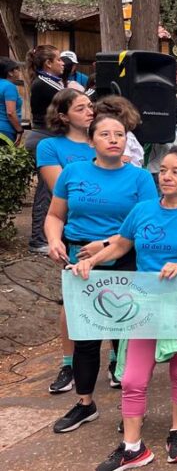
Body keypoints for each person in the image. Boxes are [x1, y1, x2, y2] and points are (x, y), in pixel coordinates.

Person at [77, 147, 177, 470]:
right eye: (163, 170)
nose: (166, 177)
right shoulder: (142, 210)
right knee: (132, 378)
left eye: (176, 171)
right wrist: (91, 261)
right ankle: (133, 448)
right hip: (145, 307)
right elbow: (120, 244)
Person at [46, 113, 159, 434]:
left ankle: (131, 408)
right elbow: (56, 215)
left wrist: (105, 244)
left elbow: (148, 224)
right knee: (85, 338)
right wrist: (55, 240)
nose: (113, 139)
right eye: (105, 134)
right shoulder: (73, 173)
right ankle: (85, 404)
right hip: (79, 261)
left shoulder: (139, 179)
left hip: (125, 260)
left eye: (119, 134)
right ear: (92, 140)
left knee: (127, 340)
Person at [38, 89, 96, 395]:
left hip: (110, 236)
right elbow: (64, 191)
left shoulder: (103, 141)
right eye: (81, 108)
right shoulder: (50, 147)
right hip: (76, 233)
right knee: (72, 300)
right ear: (63, 116)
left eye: (91, 106)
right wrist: (54, 238)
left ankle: (114, 359)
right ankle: (68, 363)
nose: (90, 111)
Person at [26, 44, 66, 254]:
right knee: (46, 192)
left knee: (54, 191)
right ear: (48, 63)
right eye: (58, 59)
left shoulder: (51, 82)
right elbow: (69, 100)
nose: (62, 63)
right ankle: (38, 239)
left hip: (51, 138)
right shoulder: (44, 84)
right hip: (44, 139)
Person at [0, 57, 23, 144]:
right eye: (17, 69)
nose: (19, 72)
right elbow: (10, 112)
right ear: (10, 72)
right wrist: (19, 130)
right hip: (5, 132)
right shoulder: (9, 86)